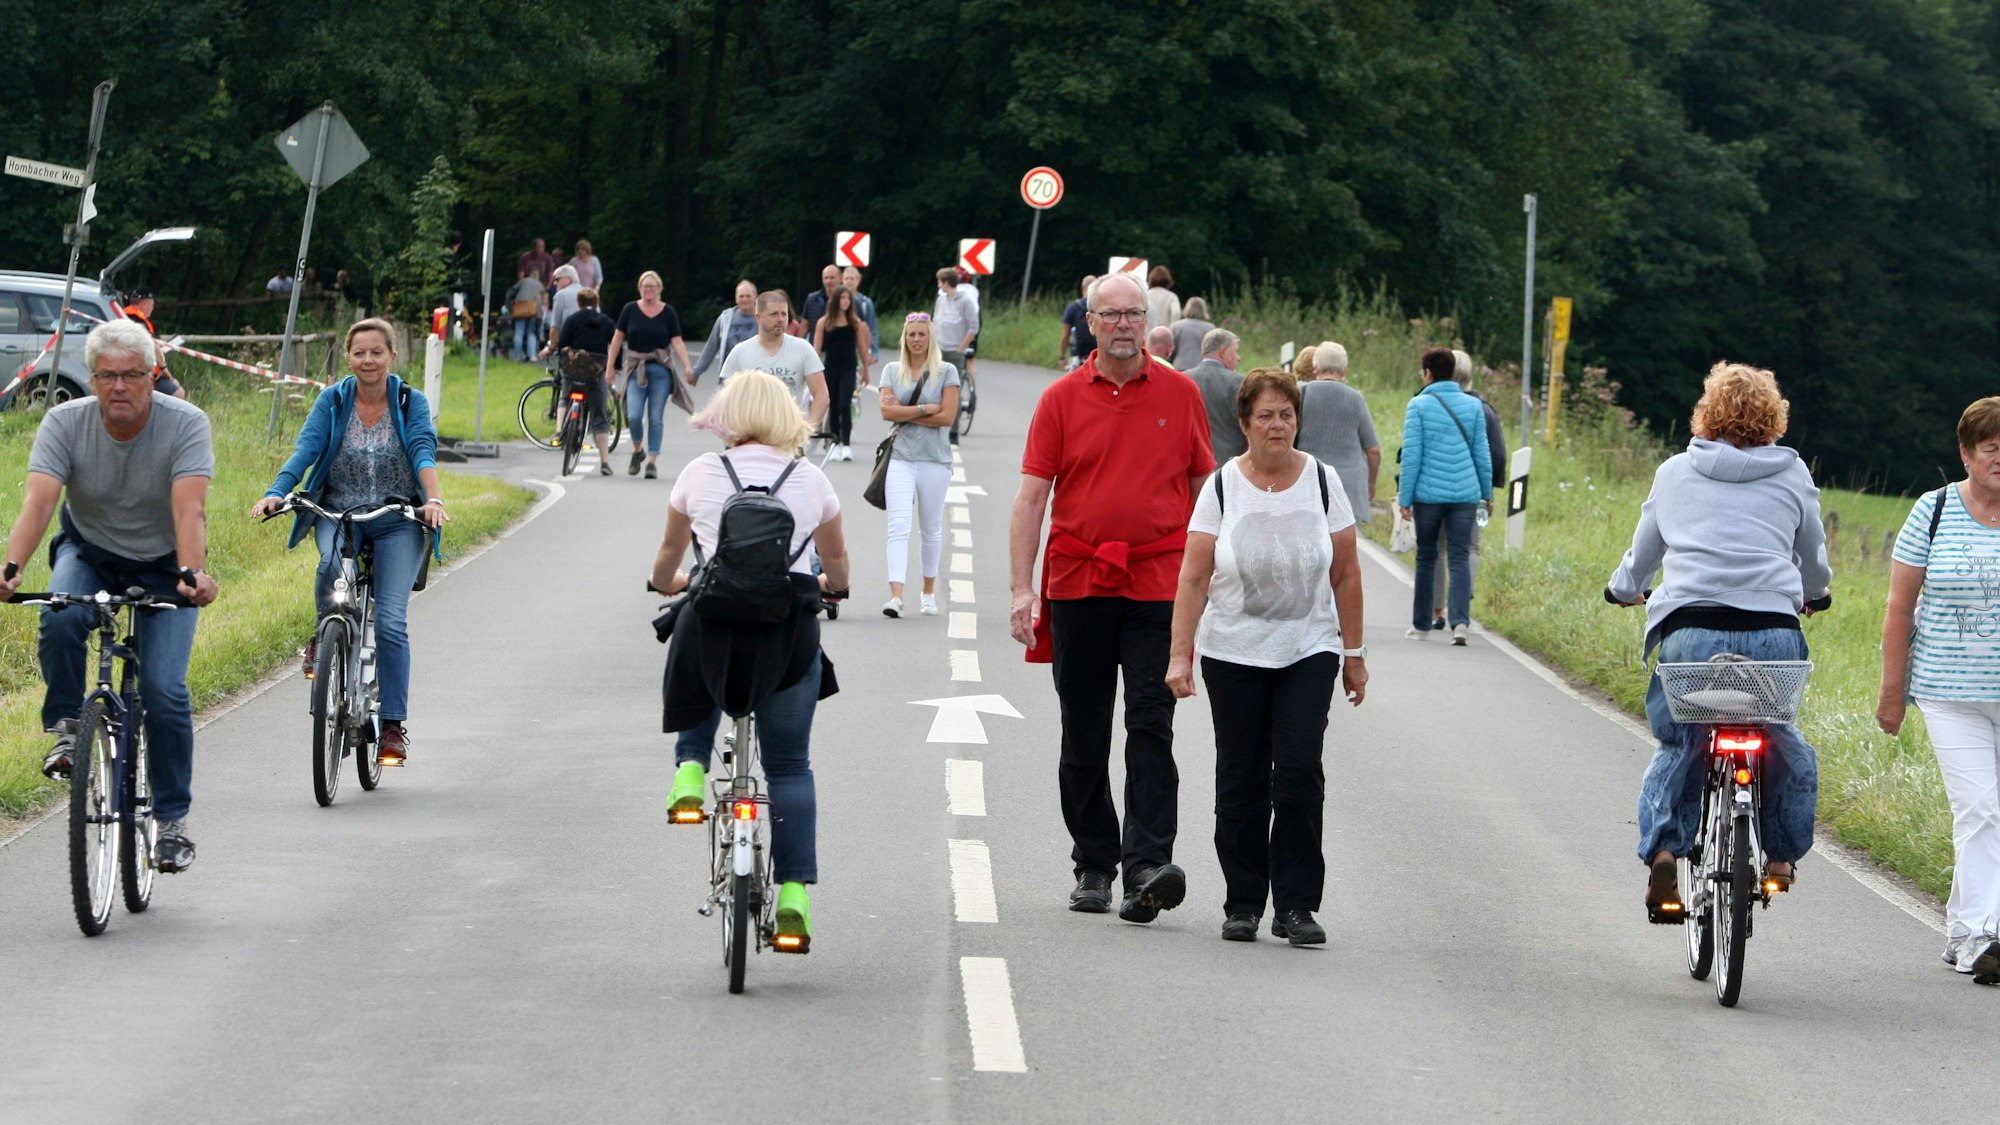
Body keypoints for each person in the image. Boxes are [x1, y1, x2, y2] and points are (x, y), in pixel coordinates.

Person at [1009, 273, 1216, 923]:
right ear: (1090, 323)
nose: (1124, 323)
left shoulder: (1181, 395)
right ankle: (1094, 862)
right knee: (1084, 731)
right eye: (1112, 314)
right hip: (1078, 583)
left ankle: (1147, 864)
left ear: (1145, 321)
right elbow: (1031, 498)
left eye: (1134, 313)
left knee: (1151, 723)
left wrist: (1214, 581)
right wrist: (1022, 588)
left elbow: (1207, 490)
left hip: (1158, 584)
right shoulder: (1060, 399)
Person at [1606, 361, 1830, 923]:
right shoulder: (1792, 472)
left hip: (1692, 636)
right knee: (1779, 737)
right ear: (1773, 416)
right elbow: (1813, 553)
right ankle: (1779, 854)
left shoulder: (1676, 472)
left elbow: (1643, 555)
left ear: (1706, 413)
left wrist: (1624, 589)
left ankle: (1662, 852)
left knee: (1680, 743)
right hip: (1772, 635)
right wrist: (1814, 592)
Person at [0, 319, 219, 873]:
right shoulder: (63, 422)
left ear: (153, 377)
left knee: (164, 690)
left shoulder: (185, 424)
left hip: (167, 564)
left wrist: (193, 572)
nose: (119, 386)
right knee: (60, 618)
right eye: (107, 376)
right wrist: (9, 568)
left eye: (132, 375)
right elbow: (39, 503)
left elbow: (188, 509)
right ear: (93, 379)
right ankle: (68, 730)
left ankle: (170, 822)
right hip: (90, 550)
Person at [1167, 368, 1367, 945]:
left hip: (1309, 648)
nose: (1277, 425)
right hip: (1232, 651)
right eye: (1266, 416)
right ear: (1245, 423)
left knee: (1300, 772)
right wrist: (1181, 655)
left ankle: (1297, 906)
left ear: (1297, 420)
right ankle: (1245, 902)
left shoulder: (1324, 482)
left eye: (1286, 414)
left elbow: (1347, 572)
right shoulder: (1222, 486)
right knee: (1241, 777)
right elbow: (1194, 576)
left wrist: (1353, 653)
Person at [655, 370, 851, 951]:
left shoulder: (701, 474)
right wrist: (831, 585)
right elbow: (837, 562)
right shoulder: (811, 479)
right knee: (789, 766)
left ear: (726, 414)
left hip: (714, 623)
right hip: (787, 634)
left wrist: (667, 581)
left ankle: (690, 769)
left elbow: (669, 553)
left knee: (693, 652)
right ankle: (793, 895)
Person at [251, 318, 447, 766]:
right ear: (349, 357)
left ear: (392, 356)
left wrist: (432, 499)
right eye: (359, 352)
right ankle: (327, 633)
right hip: (342, 513)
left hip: (397, 518)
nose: (368, 360)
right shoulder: (334, 400)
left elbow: (422, 449)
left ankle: (393, 726)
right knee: (332, 569)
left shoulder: (408, 401)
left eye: (377, 352)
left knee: (391, 622)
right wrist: (276, 492)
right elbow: (307, 450)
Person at [1878, 396, 2000, 980]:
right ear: (1966, 454)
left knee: (1992, 813)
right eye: (1991, 448)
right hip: (1950, 694)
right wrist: (1891, 692)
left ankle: (1961, 929)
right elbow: (1900, 610)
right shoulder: (1933, 510)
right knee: (1978, 808)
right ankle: (1983, 937)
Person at [1397, 347, 1491, 645]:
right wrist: (1486, 494)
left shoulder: (1418, 405)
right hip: (1465, 494)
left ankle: (1421, 625)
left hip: (1428, 496)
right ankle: (1461, 624)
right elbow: (1482, 455)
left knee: (1427, 557)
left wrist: (1404, 498)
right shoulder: (1473, 406)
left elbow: (1412, 457)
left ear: (1427, 372)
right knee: (1460, 557)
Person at [878, 312, 961, 618]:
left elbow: (947, 418)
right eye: (911, 334)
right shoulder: (891, 370)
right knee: (898, 527)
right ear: (904, 338)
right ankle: (896, 597)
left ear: (930, 338)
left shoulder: (947, 371)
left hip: (935, 460)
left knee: (931, 529)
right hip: (901, 457)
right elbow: (886, 414)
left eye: (921, 334)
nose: (916, 340)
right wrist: (926, 407)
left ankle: (928, 592)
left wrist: (904, 411)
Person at [1422, 349, 1507, 630]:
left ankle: (1437, 610)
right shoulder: (1484, 409)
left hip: (1433, 491)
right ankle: (1461, 597)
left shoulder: (1427, 402)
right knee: (1468, 547)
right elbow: (1496, 454)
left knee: (1437, 549)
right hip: (1472, 494)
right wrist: (1489, 491)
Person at [605, 270, 694, 479]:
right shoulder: (630, 310)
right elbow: (617, 340)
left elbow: (677, 341)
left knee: (655, 417)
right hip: (636, 368)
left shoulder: (668, 312)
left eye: (652, 286)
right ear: (639, 288)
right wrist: (610, 367)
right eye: (645, 286)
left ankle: (652, 461)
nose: (648, 290)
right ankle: (638, 451)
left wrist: (687, 366)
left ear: (659, 289)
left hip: (661, 370)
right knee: (633, 415)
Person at [720, 291, 831, 433]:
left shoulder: (803, 349)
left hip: (788, 437)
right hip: (751, 437)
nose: (780, 319)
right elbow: (725, 397)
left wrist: (808, 428)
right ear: (758, 318)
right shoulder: (740, 352)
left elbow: (821, 395)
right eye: (774, 314)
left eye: (784, 314)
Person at [1296, 341, 1379, 525]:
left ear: (1315, 368)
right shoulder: (1356, 398)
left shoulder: (1300, 394)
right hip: (1347, 487)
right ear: (1344, 370)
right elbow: (1373, 449)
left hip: (1308, 481)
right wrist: (1371, 483)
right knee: (1344, 547)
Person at [549, 287, 619, 475]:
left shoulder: (572, 320)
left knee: (565, 397)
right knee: (599, 417)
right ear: (597, 303)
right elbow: (615, 344)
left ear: (579, 303)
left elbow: (563, 345)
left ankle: (561, 430)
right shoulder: (606, 322)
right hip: (596, 372)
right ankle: (604, 461)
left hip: (573, 372)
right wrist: (615, 366)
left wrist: (562, 365)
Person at [811, 286, 873, 462]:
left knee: (845, 405)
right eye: (843, 298)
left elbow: (861, 348)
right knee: (834, 406)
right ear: (836, 300)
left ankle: (846, 445)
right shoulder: (825, 322)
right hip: (830, 369)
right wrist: (813, 373)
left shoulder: (855, 323)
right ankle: (835, 444)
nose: (846, 301)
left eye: (848, 298)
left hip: (849, 368)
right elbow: (816, 349)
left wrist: (866, 371)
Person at [1186, 328, 1246, 463]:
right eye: (1235, 351)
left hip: (1191, 463)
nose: (1238, 357)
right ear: (1223, 352)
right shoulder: (1239, 382)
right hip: (1229, 462)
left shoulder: (1183, 379)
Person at [933, 268, 979, 434]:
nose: (939, 285)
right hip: (939, 349)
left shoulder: (965, 301)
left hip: (955, 350)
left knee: (953, 390)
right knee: (935, 389)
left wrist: (961, 347)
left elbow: (974, 326)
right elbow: (935, 321)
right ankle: (937, 424)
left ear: (946, 283)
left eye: (940, 282)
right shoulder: (941, 300)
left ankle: (954, 429)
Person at [690, 280, 761, 385]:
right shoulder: (725, 318)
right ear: (736, 298)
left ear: (755, 298)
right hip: (729, 378)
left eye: (748, 296)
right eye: (741, 296)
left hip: (756, 378)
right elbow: (711, 347)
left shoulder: (764, 318)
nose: (745, 299)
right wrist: (696, 372)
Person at [119, 288, 185, 398]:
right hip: (143, 374)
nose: (153, 308)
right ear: (144, 304)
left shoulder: (126, 315)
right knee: (178, 393)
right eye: (152, 305)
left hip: (141, 371)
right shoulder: (137, 320)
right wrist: (167, 373)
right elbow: (152, 346)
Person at [505, 268, 546, 362]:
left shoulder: (523, 281)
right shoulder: (540, 285)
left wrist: (509, 307)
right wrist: (540, 317)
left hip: (520, 308)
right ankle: (532, 355)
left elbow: (510, 293)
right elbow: (540, 302)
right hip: (533, 310)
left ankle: (516, 356)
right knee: (531, 332)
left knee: (519, 332)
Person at [539, 265, 581, 355]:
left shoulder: (561, 294)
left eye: (557, 279)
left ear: (569, 279)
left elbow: (555, 327)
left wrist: (551, 348)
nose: (554, 283)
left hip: (572, 346)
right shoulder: (589, 292)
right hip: (595, 348)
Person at [841, 266, 880, 362]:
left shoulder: (865, 303)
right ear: (842, 280)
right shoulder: (835, 301)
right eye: (847, 278)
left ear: (858, 280)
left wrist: (873, 353)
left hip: (859, 349)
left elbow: (872, 328)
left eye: (852, 279)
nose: (849, 281)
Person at [1058, 275, 1096, 372]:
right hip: (1098, 355)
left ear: (1082, 288)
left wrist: (1062, 356)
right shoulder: (1102, 307)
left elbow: (1065, 335)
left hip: (1078, 354)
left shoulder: (1073, 307)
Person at [1167, 296, 1214, 372]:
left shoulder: (1176, 327)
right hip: (1201, 368)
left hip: (1180, 367)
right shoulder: (1210, 328)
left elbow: (1170, 349)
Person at [800, 264, 841, 339]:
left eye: (832, 278)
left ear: (840, 279)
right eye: (826, 278)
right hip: (815, 345)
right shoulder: (812, 299)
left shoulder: (848, 300)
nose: (829, 281)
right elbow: (804, 325)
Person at [1145, 265, 1180, 331]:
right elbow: (1176, 312)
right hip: (1164, 335)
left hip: (1147, 334)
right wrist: (1171, 331)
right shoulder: (1172, 296)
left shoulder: (1145, 295)